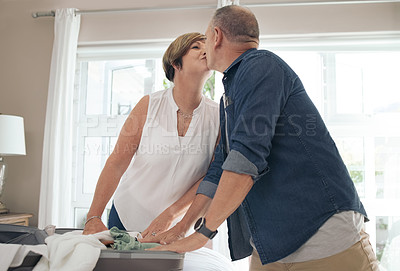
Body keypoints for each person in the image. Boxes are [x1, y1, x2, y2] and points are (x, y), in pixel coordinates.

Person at [145, 5, 380, 271]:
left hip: (322, 239)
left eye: (204, 40)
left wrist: (204, 233)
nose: (204, 48)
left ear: (216, 36)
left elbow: (245, 159)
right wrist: (182, 227)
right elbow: (219, 170)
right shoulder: (228, 97)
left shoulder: (260, 66)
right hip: (271, 246)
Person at [83, 32, 233, 270]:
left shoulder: (219, 115)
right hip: (124, 216)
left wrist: (173, 215)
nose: (206, 49)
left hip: (176, 225)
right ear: (176, 63)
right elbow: (117, 162)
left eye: (207, 45)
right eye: (196, 47)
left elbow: (210, 177)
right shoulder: (148, 105)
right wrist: (93, 216)